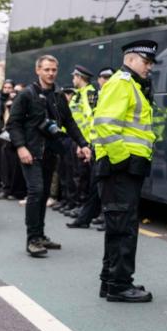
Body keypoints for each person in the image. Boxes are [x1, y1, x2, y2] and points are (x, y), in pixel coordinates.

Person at [7, 55, 91, 257]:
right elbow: (13, 124)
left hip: (50, 152)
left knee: (43, 194)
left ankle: (40, 235)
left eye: (54, 70)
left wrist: (83, 144)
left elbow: (69, 122)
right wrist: (21, 147)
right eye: (46, 69)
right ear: (38, 70)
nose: (51, 73)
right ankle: (32, 240)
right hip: (30, 152)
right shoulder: (26, 95)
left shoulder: (58, 95)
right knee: (36, 192)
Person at [93, 40, 157, 302]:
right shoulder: (122, 83)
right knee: (124, 228)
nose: (149, 67)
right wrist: (122, 162)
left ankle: (110, 282)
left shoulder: (130, 85)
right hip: (121, 169)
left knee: (118, 227)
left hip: (124, 169)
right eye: (146, 61)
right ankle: (120, 285)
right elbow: (105, 125)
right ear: (131, 59)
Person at [66, 65, 101, 228]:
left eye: (75, 77)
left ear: (80, 77)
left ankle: (87, 214)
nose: (73, 80)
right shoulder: (78, 95)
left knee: (90, 179)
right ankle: (84, 214)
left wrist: (85, 144)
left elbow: (91, 120)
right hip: (81, 141)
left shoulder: (90, 94)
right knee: (84, 178)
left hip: (89, 143)